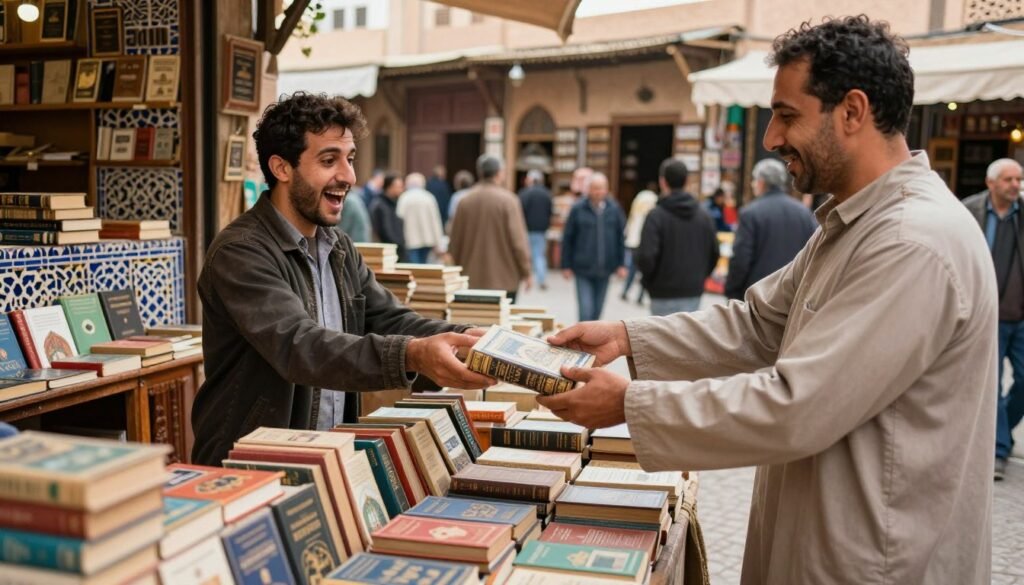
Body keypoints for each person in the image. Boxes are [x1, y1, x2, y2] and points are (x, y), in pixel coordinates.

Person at [538, 17, 995, 583]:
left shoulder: (911, 241)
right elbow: (757, 325)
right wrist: (627, 338)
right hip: (823, 540)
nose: (772, 139)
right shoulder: (855, 222)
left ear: (853, 112)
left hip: (876, 560)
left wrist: (630, 405)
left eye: (787, 115)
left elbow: (798, 404)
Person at [192, 93, 493, 466]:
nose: (349, 176)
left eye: (349, 159)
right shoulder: (241, 252)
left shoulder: (337, 246)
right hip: (250, 461)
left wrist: (473, 338)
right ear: (282, 168)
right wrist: (413, 355)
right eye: (329, 160)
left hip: (326, 456)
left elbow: (392, 318)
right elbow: (301, 346)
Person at [962, 157, 1024, 480]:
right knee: (994, 383)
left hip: (1020, 316)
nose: (1015, 185)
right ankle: (997, 450)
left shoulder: (1022, 213)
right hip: (988, 315)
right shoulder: (970, 210)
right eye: (1009, 180)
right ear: (991, 183)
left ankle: (1002, 432)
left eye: (1019, 179)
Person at [725, 158, 817, 300]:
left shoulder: (750, 213)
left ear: (761, 183)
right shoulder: (804, 213)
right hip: (793, 294)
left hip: (758, 294)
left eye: (754, 180)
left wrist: (732, 291)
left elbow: (741, 259)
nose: (752, 184)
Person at [636, 158, 719, 316]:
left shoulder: (656, 216)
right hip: (693, 290)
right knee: (687, 339)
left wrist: (649, 282)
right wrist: (700, 277)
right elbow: (714, 252)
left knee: (661, 339)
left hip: (662, 292)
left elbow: (646, 256)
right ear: (687, 181)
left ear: (662, 182)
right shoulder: (704, 216)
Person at [448, 155, 532, 303]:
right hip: (505, 279)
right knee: (503, 324)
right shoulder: (509, 200)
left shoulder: (465, 201)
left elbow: (455, 242)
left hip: (471, 278)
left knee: (476, 323)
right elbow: (518, 242)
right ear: (499, 173)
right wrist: (526, 271)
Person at [561, 173, 626, 322]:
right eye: (595, 188)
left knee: (597, 313)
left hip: (605, 269)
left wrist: (622, 264)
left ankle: (590, 343)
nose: (598, 192)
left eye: (601, 188)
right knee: (586, 311)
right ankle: (582, 343)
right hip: (583, 268)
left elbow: (620, 238)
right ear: (588, 189)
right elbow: (568, 238)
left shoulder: (614, 209)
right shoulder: (578, 209)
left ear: (607, 189)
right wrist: (566, 265)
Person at [396, 172, 444, 264]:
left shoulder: (404, 197)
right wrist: (438, 242)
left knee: (413, 268)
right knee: (424, 267)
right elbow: (435, 221)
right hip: (428, 239)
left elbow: (399, 219)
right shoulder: (429, 197)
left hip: (410, 239)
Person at [621, 187, 659, 303]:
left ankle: (626, 292)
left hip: (633, 243)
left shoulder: (637, 207)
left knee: (633, 269)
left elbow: (630, 225)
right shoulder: (652, 211)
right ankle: (640, 296)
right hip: (643, 244)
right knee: (645, 270)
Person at [518, 169, 553, 290]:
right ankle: (541, 279)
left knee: (525, 254)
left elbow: (519, 212)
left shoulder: (524, 193)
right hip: (541, 229)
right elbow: (550, 211)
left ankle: (527, 276)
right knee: (539, 255)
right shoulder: (547, 193)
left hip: (526, 228)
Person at [369, 172, 406, 260]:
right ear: (390, 187)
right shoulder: (380, 205)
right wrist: (399, 245)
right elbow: (386, 232)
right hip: (388, 253)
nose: (402, 189)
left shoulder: (394, 203)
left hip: (395, 251)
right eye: (399, 186)